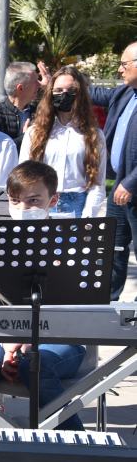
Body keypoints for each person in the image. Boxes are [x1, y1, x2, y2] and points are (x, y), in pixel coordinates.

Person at [0, 160, 86, 431]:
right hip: (2, 338)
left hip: (59, 338)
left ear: (53, 200)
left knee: (36, 364)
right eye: (15, 201)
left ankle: (75, 445)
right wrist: (10, 346)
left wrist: (27, 345)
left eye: (33, 201)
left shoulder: (71, 242)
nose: (22, 209)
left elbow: (77, 309)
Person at [20, 66, 107, 217]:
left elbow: (97, 184)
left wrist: (88, 217)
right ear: (50, 94)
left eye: (71, 90)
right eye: (58, 90)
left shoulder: (94, 135)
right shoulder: (34, 132)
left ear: (80, 94)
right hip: (41, 206)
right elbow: (23, 176)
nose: (64, 95)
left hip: (78, 208)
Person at [87, 41, 137, 301]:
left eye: (124, 64)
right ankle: (110, 300)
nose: (120, 70)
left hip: (130, 188)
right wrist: (65, 79)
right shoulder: (125, 93)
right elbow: (95, 93)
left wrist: (130, 183)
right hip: (118, 188)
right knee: (114, 248)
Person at [0, 61, 42, 150]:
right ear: (20, 88)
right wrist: (26, 136)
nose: (39, 84)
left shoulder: (39, 112)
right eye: (35, 81)